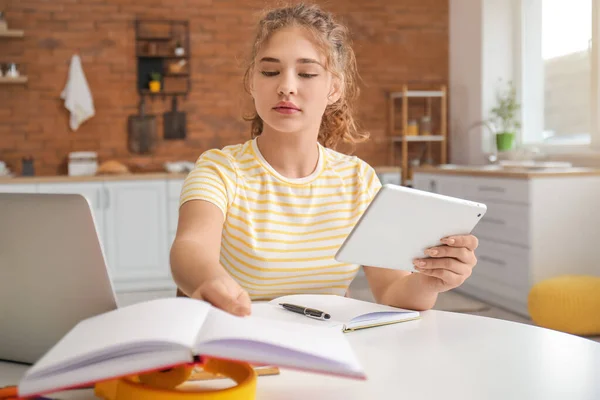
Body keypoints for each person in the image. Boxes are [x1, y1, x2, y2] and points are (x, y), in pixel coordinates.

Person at [170, 3, 479, 317]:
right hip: (240, 342)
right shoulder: (220, 170)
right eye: (270, 71)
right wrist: (212, 280)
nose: (286, 86)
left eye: (306, 73)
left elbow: (391, 290)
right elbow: (190, 247)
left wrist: (433, 279)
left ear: (334, 88)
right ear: (251, 81)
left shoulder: (359, 180)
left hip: (326, 348)